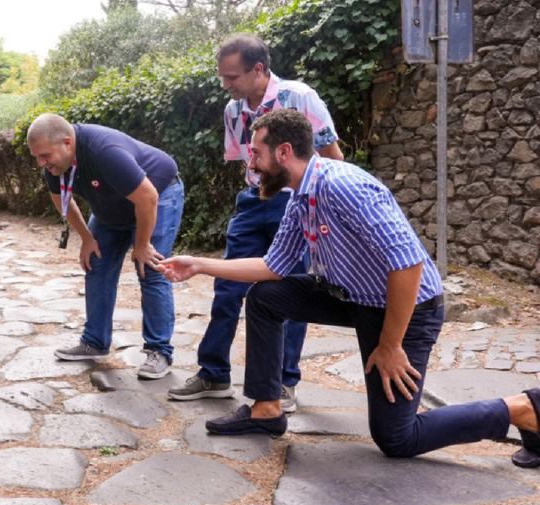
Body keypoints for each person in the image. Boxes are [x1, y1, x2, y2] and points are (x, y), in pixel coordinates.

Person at [159, 108, 540, 462]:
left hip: (405, 310)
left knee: (397, 438)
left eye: (257, 153)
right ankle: (266, 410)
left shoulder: (343, 186)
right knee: (267, 297)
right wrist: (200, 265)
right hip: (353, 298)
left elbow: (408, 265)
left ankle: (523, 408)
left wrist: (390, 345)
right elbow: (274, 266)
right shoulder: (300, 199)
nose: (251, 163)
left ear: (284, 152)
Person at [168, 34, 343, 412]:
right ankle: (213, 373)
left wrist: (322, 208)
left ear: (258, 70)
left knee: (291, 291)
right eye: (223, 77)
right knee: (227, 286)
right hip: (252, 201)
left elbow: (333, 156)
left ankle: (284, 383)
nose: (225, 85)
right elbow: (247, 164)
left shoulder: (301, 97)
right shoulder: (233, 111)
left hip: (296, 201)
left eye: (232, 77)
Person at [27, 113, 184, 379]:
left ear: (67, 143)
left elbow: (147, 197)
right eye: (37, 158)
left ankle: (160, 351)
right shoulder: (55, 165)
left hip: (157, 195)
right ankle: (95, 342)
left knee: (150, 268)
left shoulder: (104, 151)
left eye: (44, 156)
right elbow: (62, 202)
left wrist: (142, 244)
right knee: (96, 263)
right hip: (111, 207)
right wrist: (87, 238)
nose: (42, 164)